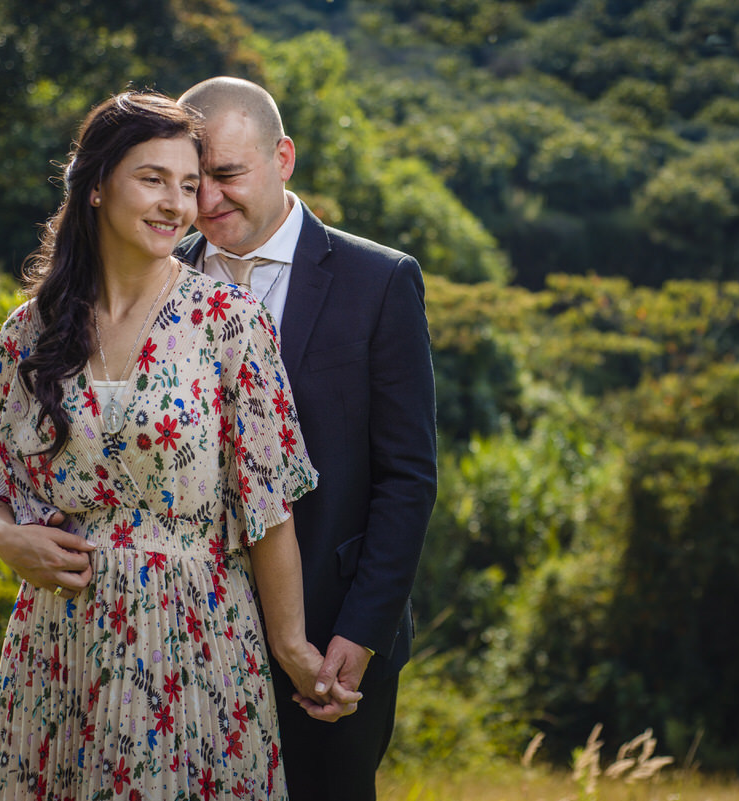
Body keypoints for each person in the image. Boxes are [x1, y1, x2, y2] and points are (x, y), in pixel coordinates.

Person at [0, 90, 330, 800]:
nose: (176, 204)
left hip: (194, 636)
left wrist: (292, 648)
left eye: (188, 185)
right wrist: (6, 539)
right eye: (153, 179)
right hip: (59, 642)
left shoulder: (229, 321)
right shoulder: (28, 331)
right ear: (96, 186)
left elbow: (268, 507)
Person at [174, 77, 438, 801]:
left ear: (283, 157)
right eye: (196, 182)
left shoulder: (379, 281)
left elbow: (408, 477)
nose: (206, 203)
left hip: (331, 634)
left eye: (228, 176)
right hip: (185, 633)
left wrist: (361, 632)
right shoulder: (161, 281)